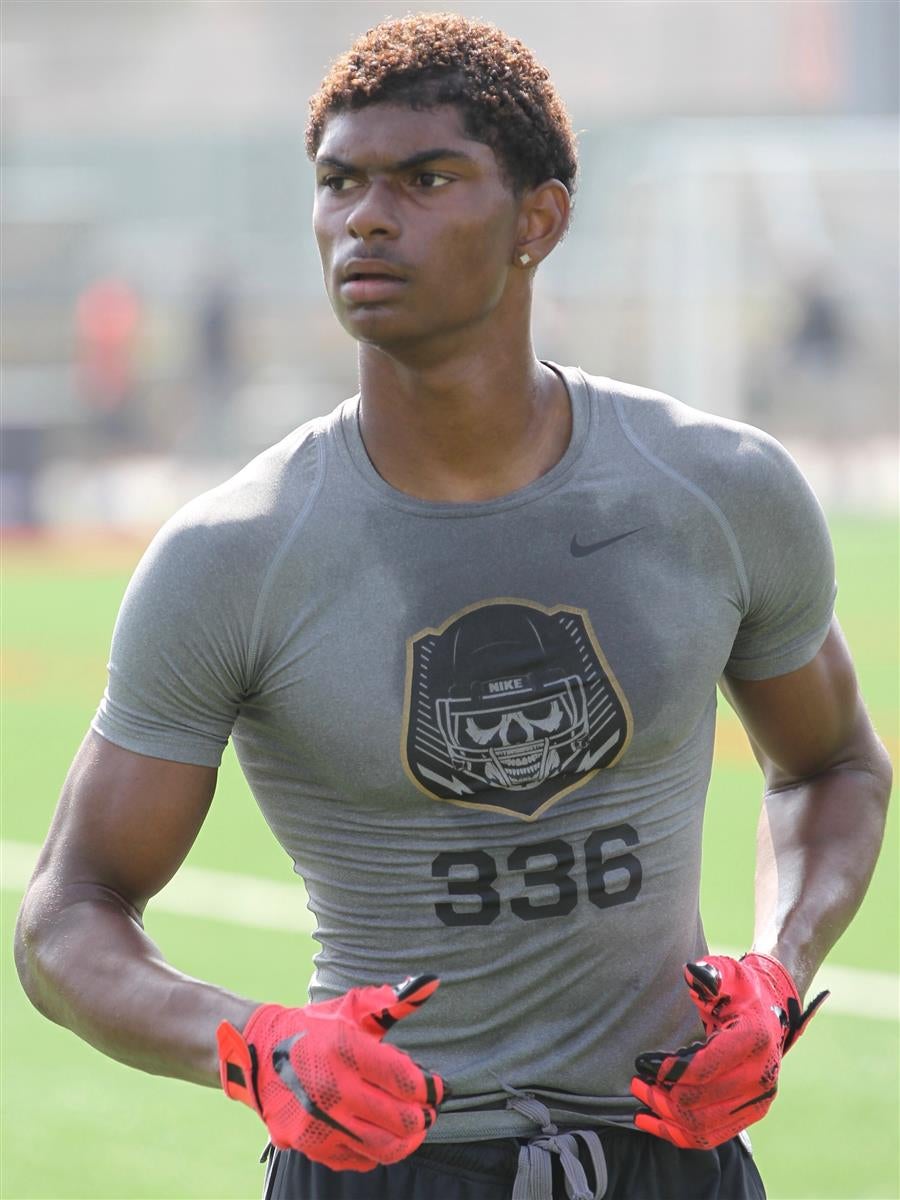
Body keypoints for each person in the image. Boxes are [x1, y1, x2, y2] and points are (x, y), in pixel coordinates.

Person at [15, 14, 892, 1200]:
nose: (366, 217)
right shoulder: (236, 550)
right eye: (340, 182)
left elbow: (834, 763)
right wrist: (252, 1047)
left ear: (540, 219)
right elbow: (67, 918)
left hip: (676, 1160)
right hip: (378, 1169)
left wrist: (776, 973)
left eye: (425, 179)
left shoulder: (717, 488)